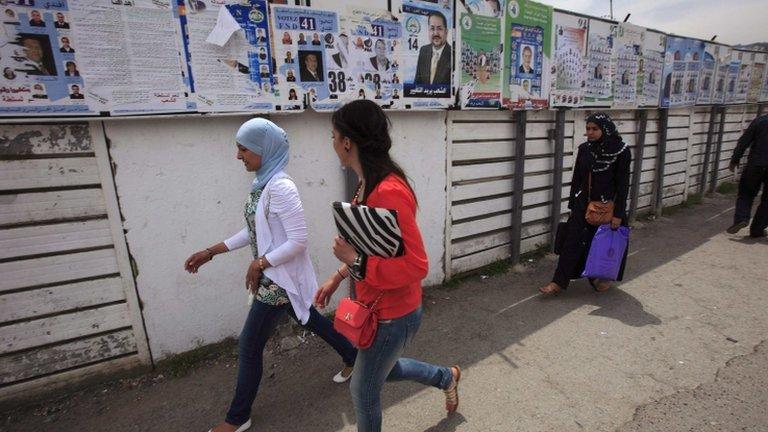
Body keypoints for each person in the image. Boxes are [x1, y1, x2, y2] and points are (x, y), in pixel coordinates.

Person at [184, 118, 357, 432]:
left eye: (244, 149)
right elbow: (253, 230)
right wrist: (211, 251)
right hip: (275, 276)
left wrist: (259, 263)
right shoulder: (262, 183)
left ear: (264, 149)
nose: (239, 156)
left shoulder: (281, 187)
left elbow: (298, 240)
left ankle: (238, 418)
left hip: (278, 280)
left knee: (250, 344)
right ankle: (352, 355)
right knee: (311, 319)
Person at [315, 100, 461, 432]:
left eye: (334, 136)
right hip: (376, 305)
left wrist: (352, 261)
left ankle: (445, 376)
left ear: (348, 142)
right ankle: (445, 376)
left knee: (363, 389)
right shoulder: (367, 185)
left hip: (394, 312)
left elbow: (417, 265)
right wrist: (339, 275)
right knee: (385, 369)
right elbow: (372, 247)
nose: (333, 144)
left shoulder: (388, 191)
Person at [539, 112, 631, 295]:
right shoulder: (585, 149)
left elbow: (622, 184)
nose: (589, 132)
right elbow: (577, 179)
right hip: (583, 205)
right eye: (587, 128)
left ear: (605, 129)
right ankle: (558, 282)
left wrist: (618, 214)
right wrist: (573, 205)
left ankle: (597, 278)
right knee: (571, 243)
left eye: (594, 129)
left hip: (607, 207)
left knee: (598, 244)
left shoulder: (621, 151)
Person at [727, 113, 768, 238]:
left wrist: (735, 159)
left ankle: (741, 218)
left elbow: (744, 141)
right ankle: (757, 230)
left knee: (746, 193)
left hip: (755, 164)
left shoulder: (760, 121)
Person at [414, 11, 451, 85]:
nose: (436, 33)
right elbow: (417, 82)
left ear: (446, 32)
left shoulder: (453, 54)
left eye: (439, 29)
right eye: (432, 28)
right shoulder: (423, 50)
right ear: (428, 30)